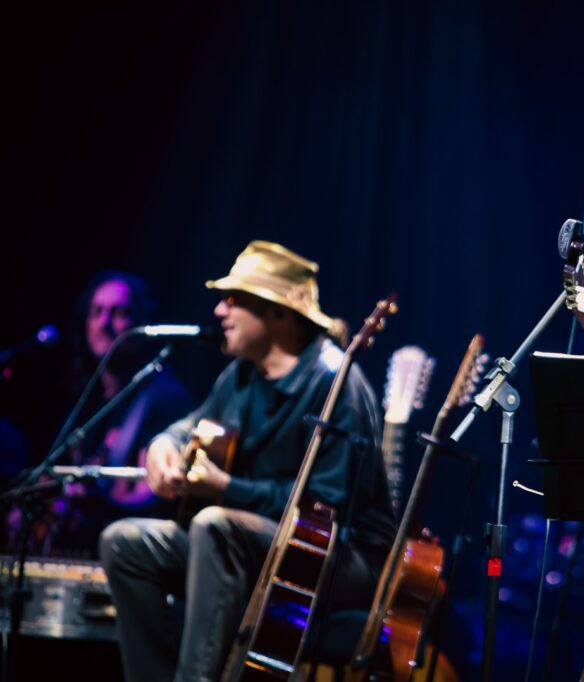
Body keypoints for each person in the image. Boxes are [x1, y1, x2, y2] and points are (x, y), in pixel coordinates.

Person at [99, 241, 397, 682]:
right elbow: (189, 425)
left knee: (215, 525)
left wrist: (225, 489)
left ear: (278, 313)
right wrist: (162, 445)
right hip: (252, 542)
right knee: (124, 542)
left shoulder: (337, 384)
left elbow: (327, 510)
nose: (219, 311)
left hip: (341, 558)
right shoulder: (241, 374)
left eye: (234, 300)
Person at [4, 271, 191, 557]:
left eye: (119, 313)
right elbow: (53, 472)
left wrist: (95, 502)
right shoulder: (88, 401)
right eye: (96, 312)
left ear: (141, 322)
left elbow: (155, 497)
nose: (103, 324)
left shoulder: (164, 399)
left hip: (121, 554)